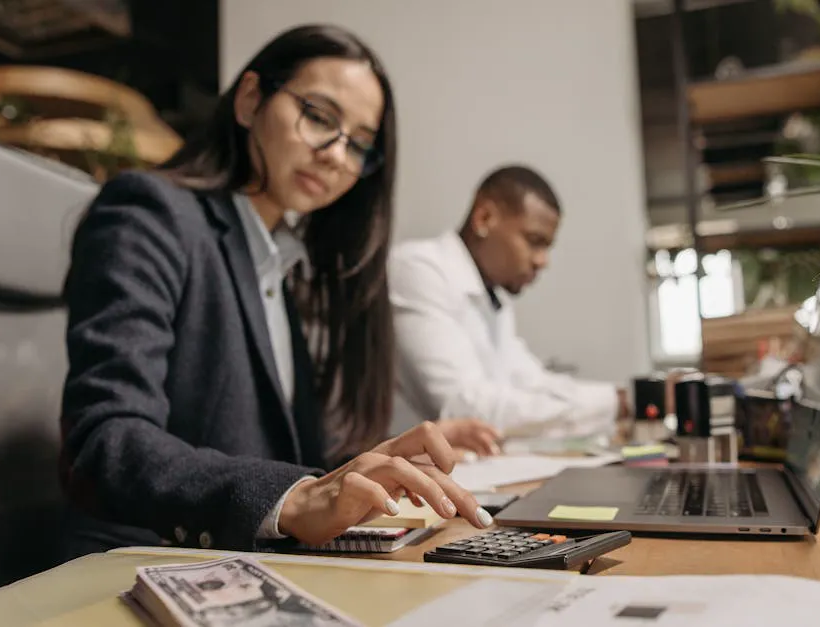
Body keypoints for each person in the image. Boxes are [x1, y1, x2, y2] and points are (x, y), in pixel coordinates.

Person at [57, 24, 495, 559]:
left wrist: (379, 464)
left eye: (359, 144)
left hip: (246, 561)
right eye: (319, 117)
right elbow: (107, 440)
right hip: (141, 563)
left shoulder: (279, 259)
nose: (337, 154)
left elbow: (268, 452)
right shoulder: (148, 213)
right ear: (249, 101)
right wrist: (296, 497)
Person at [389, 165, 629, 437]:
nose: (542, 261)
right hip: (395, 470)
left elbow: (532, 382)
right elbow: (463, 409)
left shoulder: (494, 297)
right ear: (484, 218)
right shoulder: (419, 269)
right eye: (534, 241)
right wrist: (617, 403)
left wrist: (622, 396)